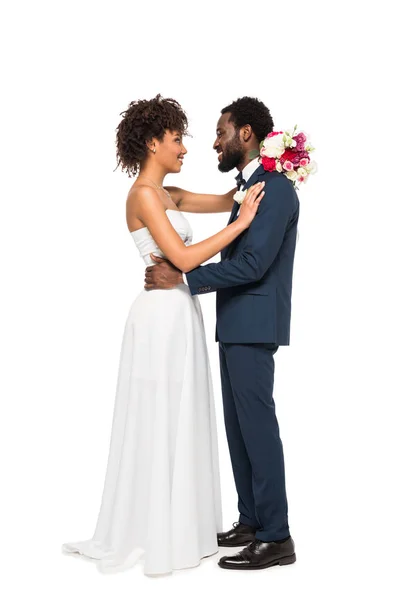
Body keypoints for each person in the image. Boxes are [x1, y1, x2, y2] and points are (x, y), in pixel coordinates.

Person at [62, 94, 265, 576]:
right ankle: (152, 529)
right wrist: (244, 224)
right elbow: (186, 258)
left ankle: (180, 525)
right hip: (157, 319)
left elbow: (227, 200)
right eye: (177, 140)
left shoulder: (169, 195)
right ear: (153, 143)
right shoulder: (143, 196)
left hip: (181, 314)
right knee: (158, 416)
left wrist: (266, 171)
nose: (184, 149)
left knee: (182, 413)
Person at [145, 96, 299, 570]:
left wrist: (186, 279)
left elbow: (253, 264)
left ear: (245, 134)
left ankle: (277, 536)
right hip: (234, 324)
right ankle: (251, 520)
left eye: (220, 131)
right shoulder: (246, 189)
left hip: (254, 325)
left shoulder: (276, 189)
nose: (214, 142)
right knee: (238, 430)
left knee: (258, 428)